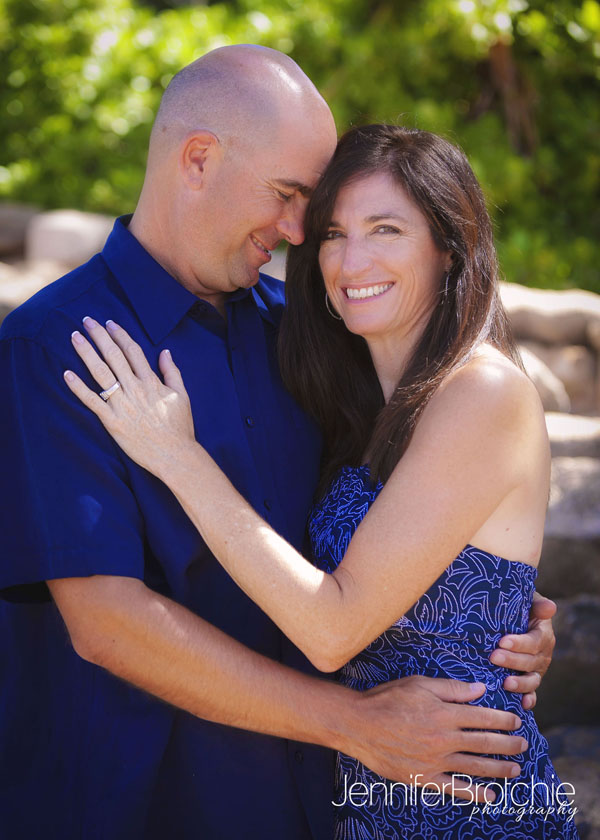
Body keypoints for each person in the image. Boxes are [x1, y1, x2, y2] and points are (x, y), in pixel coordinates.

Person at [0, 48, 554, 840]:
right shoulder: (56, 343)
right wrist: (353, 723)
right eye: (293, 198)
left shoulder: (306, 332)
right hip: (142, 802)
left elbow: (414, 527)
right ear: (198, 159)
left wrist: (497, 613)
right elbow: (106, 622)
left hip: (325, 806)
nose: (301, 233)